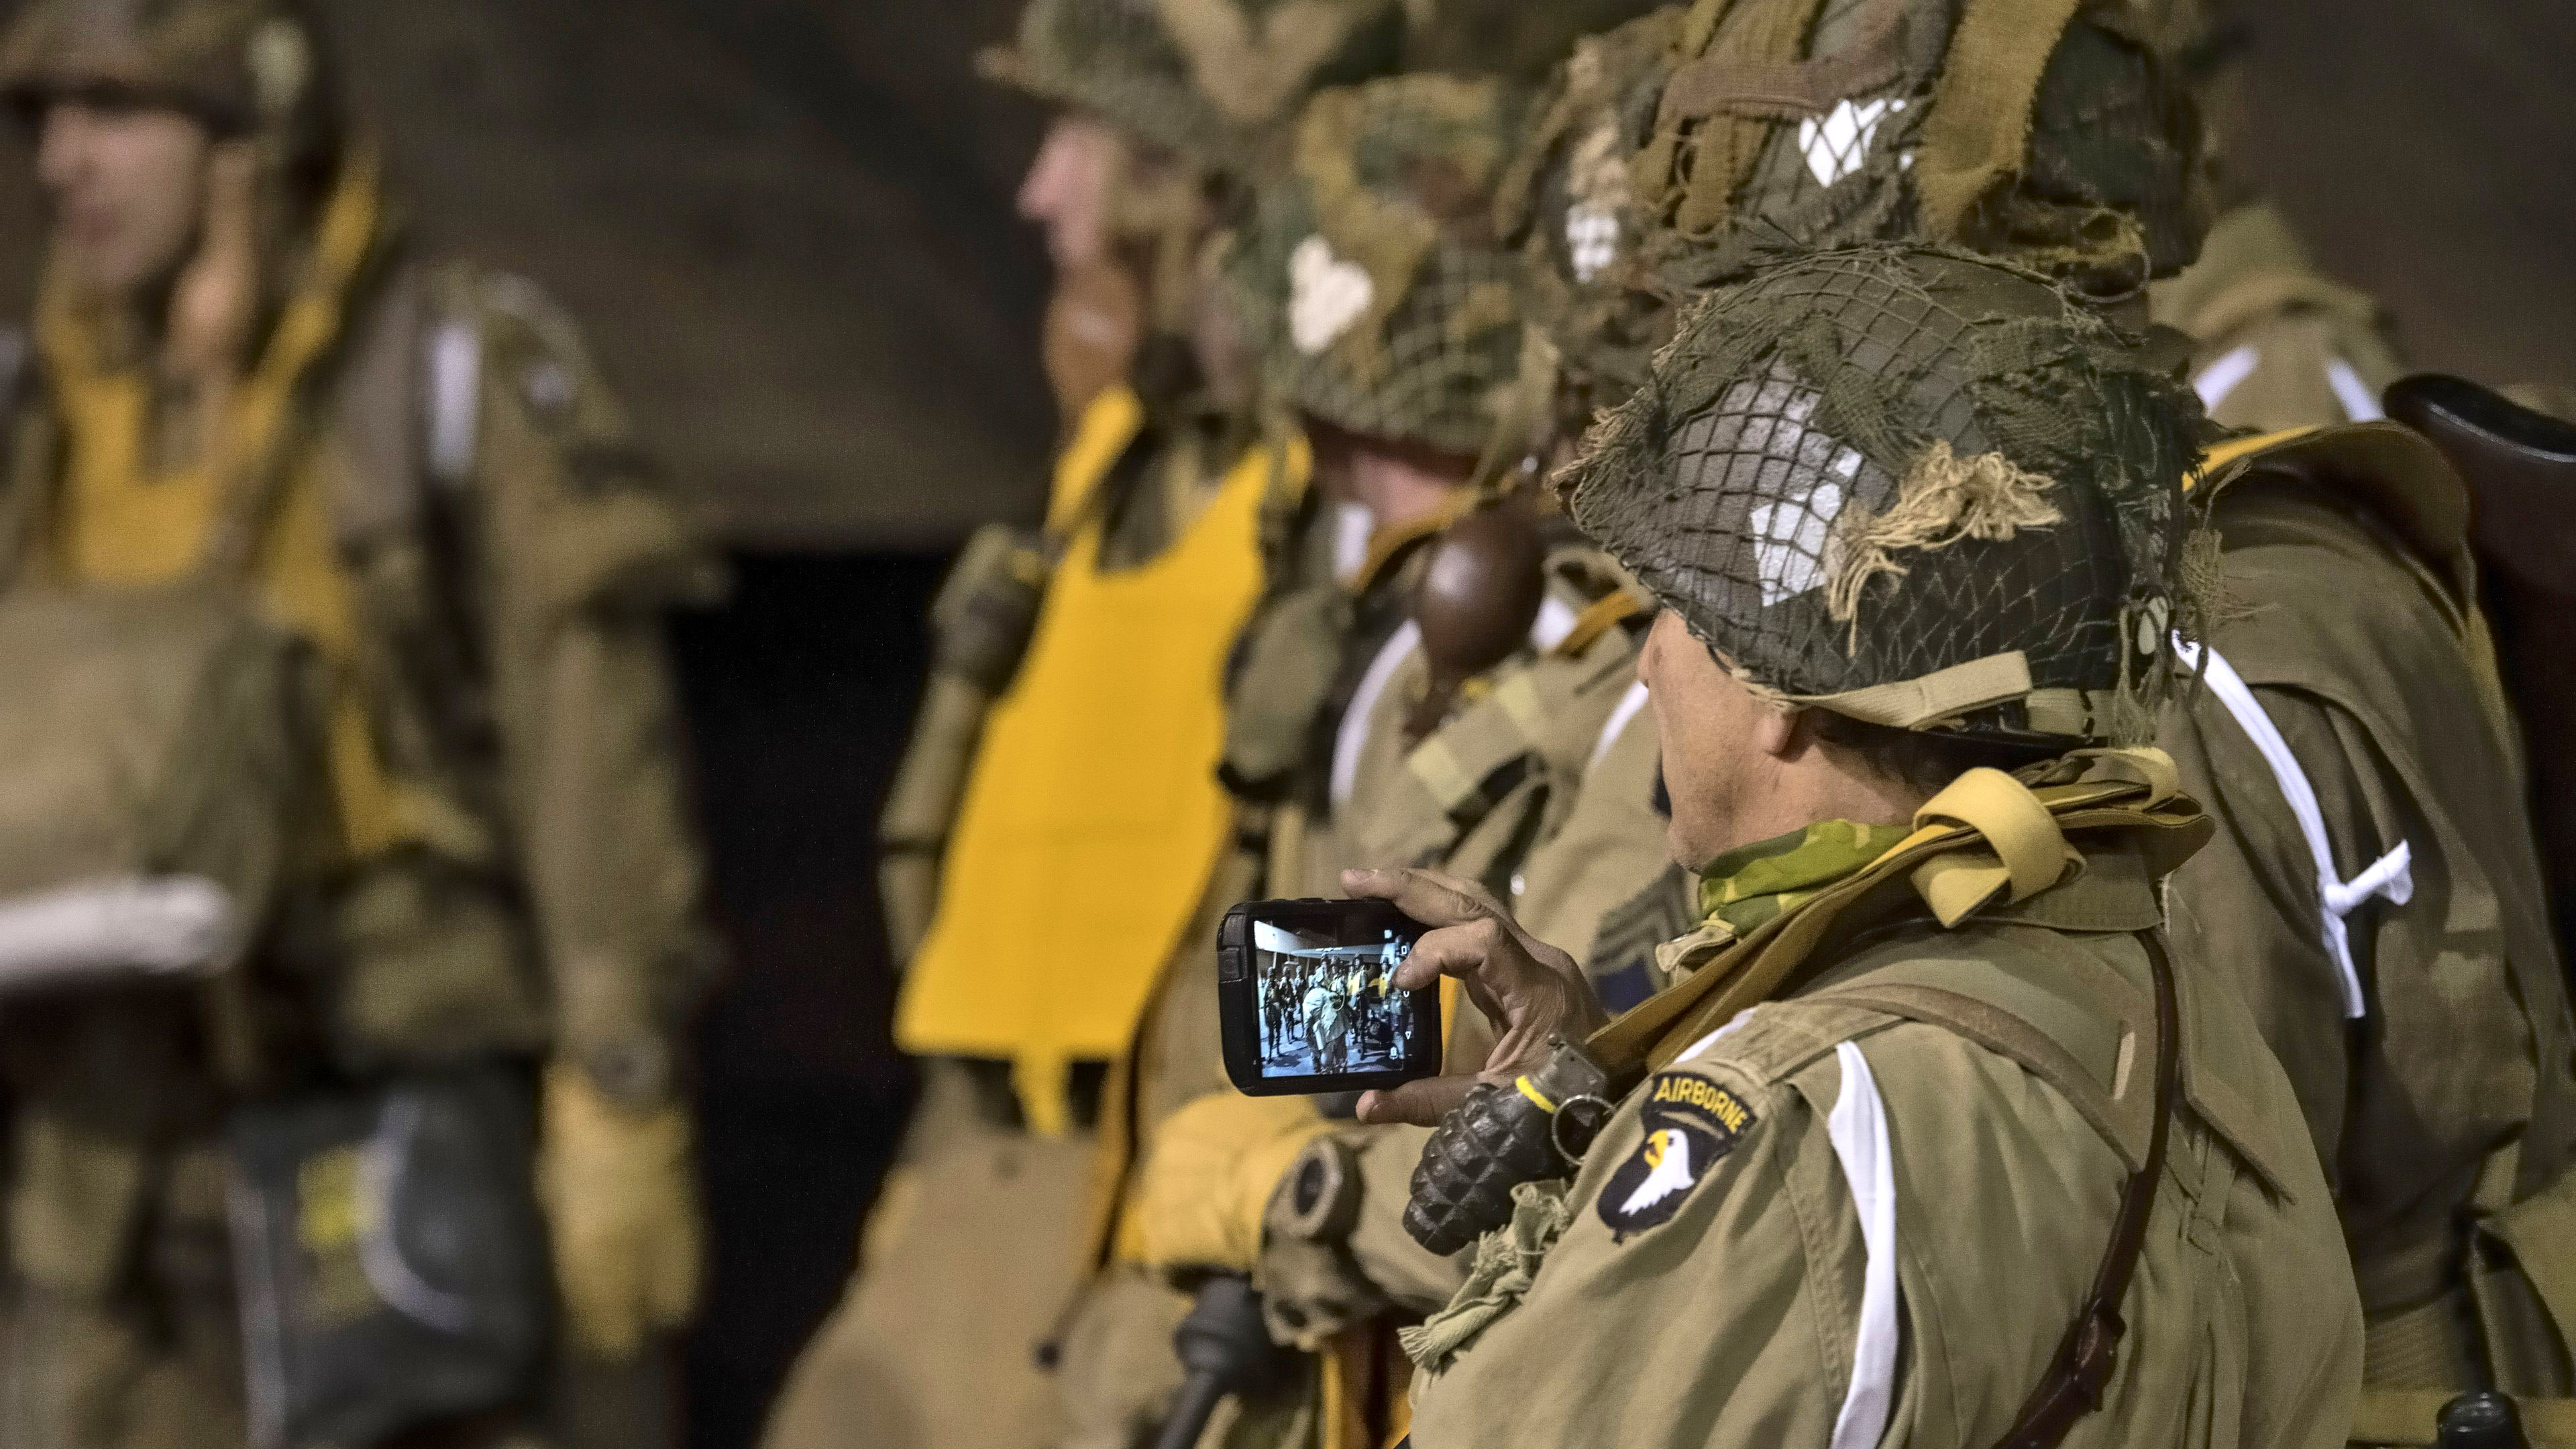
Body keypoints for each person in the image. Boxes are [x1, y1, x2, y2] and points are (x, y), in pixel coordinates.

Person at [1373, 241, 2359, 1449]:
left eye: (1676, 611)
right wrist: (1594, 1107)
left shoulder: (1785, 1133)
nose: (1647, 660)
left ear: (1777, 681)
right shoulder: (2192, 1031)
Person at [0, 1, 719, 1446]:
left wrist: (619, 1083)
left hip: (391, 1107)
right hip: (106, 1167)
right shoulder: (37, 413)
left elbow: (592, 743)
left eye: (120, 113)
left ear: (246, 142)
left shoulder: (442, 372)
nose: (64, 162)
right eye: (43, 120)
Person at [761, 4, 1419, 1446]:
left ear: (1189, 181)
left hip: (1152, 1229)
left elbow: (1360, 863)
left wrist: (1272, 1216)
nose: (1039, 190)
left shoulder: (1327, 512)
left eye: (1079, 140)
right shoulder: (1112, 463)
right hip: (983, 1180)